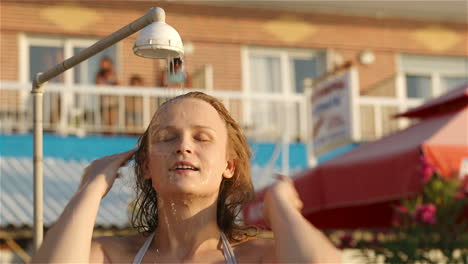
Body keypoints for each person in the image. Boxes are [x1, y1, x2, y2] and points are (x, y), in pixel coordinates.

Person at [32, 92, 342, 263]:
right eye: (167, 137)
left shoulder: (257, 257)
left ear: (229, 166)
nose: (183, 146)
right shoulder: (111, 256)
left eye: (202, 138)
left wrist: (280, 206)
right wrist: (90, 189)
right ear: (146, 167)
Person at [95, 56, 119, 131]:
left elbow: (118, 84)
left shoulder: (113, 74)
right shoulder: (99, 75)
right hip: (104, 102)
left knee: (112, 121)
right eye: (102, 64)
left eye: (106, 64)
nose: (104, 66)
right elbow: (98, 85)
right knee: (105, 122)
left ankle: (111, 134)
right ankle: (106, 134)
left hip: (113, 102)